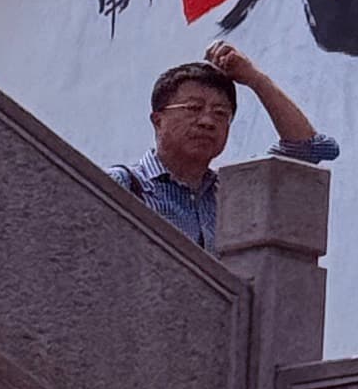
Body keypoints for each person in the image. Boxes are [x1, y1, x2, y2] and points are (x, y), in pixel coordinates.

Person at [112, 38, 338, 250]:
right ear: (158, 120)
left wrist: (255, 79)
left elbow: (313, 148)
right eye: (193, 108)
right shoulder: (124, 185)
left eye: (220, 113)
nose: (208, 121)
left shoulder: (232, 192)